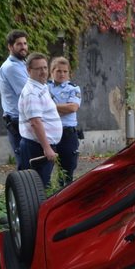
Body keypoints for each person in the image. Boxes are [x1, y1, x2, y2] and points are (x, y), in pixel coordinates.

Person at [18, 52, 62, 188]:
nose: (43, 72)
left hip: (40, 146)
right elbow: (35, 122)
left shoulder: (41, 86)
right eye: (39, 69)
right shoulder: (32, 93)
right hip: (37, 147)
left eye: (45, 67)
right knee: (37, 188)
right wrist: (47, 148)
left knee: (41, 185)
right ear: (29, 70)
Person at [48, 56, 81, 186]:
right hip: (49, 132)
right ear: (52, 72)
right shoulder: (45, 87)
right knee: (45, 169)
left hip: (67, 133)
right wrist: (63, 108)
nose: (62, 74)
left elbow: (73, 107)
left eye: (65, 71)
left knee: (67, 171)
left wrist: (50, 107)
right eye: (58, 71)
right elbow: (39, 107)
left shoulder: (73, 88)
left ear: (69, 73)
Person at [0, 30, 29, 167]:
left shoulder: (23, 63)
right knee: (24, 163)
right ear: (10, 47)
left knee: (30, 161)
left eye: (25, 43)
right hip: (17, 121)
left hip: (24, 119)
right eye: (19, 44)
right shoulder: (11, 67)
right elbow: (29, 91)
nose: (23, 47)